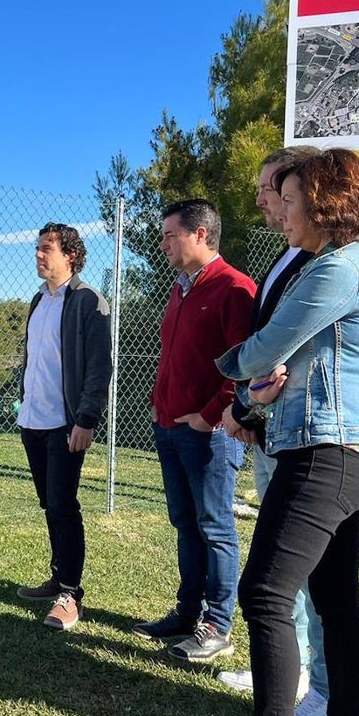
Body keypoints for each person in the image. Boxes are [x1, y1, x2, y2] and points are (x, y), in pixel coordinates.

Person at [217, 148, 359, 716]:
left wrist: (226, 371)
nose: (282, 213)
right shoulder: (343, 261)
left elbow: (266, 347)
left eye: (290, 201)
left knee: (265, 591)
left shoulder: (340, 267)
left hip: (329, 451)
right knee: (334, 598)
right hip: (342, 451)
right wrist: (253, 396)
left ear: (326, 204)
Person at [218, 147, 329, 716]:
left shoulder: (327, 264)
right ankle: (293, 674)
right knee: (286, 571)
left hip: (307, 435)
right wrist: (248, 408)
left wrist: (241, 399)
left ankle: (310, 683)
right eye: (267, 190)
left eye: (275, 190)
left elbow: (278, 353)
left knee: (300, 572)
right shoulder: (289, 258)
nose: (264, 199)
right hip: (272, 426)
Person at [134, 199, 254, 664]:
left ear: (200, 235)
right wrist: (160, 407)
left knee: (215, 527)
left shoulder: (235, 288)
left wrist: (209, 415)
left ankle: (217, 624)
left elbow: (246, 366)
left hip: (208, 433)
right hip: (169, 426)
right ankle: (187, 613)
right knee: (186, 524)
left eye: (170, 235)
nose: (163, 243)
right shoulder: (179, 289)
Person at [15, 222, 111, 631]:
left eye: (47, 249)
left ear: (70, 255)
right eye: (37, 248)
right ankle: (59, 576)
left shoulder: (89, 301)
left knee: (63, 505)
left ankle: (71, 595)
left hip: (65, 423)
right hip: (32, 420)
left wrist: (86, 418)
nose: (39, 254)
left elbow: (99, 366)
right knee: (49, 504)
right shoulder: (39, 301)